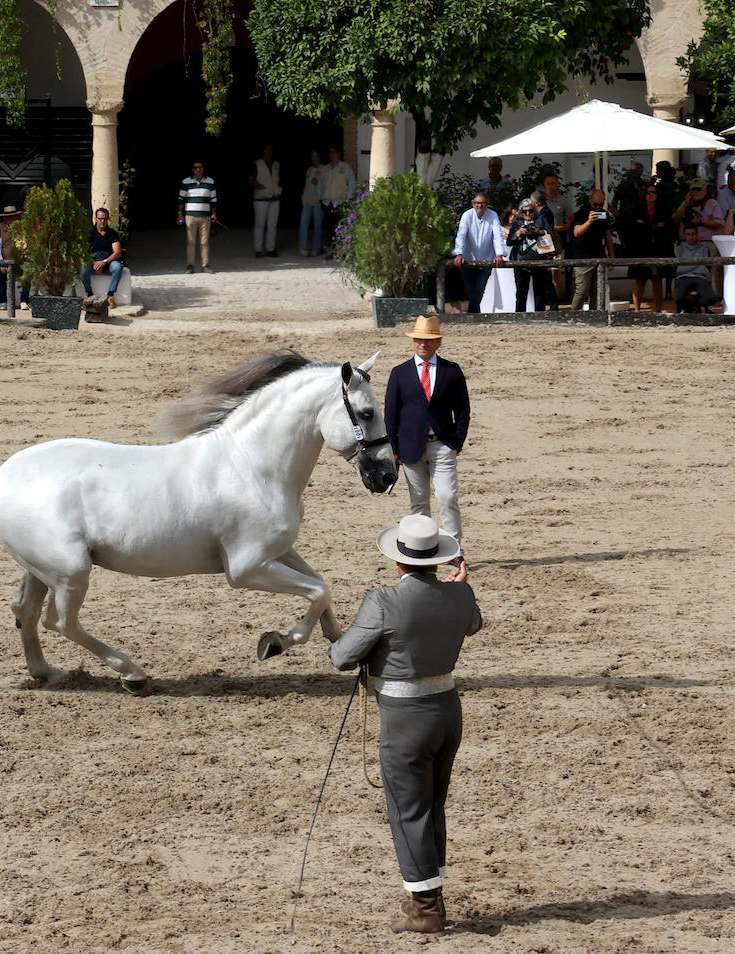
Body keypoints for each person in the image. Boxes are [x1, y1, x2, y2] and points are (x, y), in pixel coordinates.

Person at [327, 513, 480, 935]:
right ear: (438, 560)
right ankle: (432, 894)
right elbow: (473, 622)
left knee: (408, 810)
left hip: (405, 721)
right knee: (432, 805)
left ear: (398, 562)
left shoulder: (382, 601)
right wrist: (459, 587)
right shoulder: (461, 595)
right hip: (448, 712)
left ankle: (426, 910)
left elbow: (342, 657)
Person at [384, 315, 470, 551]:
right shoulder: (399, 373)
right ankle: (422, 549)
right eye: (419, 339)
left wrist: (456, 442)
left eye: (428, 340)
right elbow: (390, 414)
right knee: (419, 503)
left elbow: (463, 410)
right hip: (410, 447)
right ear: (414, 341)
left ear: (438, 342)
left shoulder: (451, 371)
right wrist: (394, 449)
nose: (423, 344)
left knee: (447, 497)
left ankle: (454, 549)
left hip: (443, 444)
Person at [621, 181, 676, 312]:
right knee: (640, 280)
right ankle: (637, 311)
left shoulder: (663, 210)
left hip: (658, 249)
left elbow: (668, 228)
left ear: (657, 195)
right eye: (648, 193)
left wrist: (649, 227)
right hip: (640, 250)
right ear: (644, 195)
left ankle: (657, 310)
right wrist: (653, 227)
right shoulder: (637, 210)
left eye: (654, 192)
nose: (651, 195)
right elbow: (632, 229)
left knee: (657, 279)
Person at [451, 193, 505, 313]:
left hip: (487, 258)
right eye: (477, 203)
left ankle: (472, 314)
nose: (479, 205)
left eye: (483, 203)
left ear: (487, 205)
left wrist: (499, 254)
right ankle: (474, 314)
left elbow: (497, 236)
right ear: (473, 204)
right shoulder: (467, 215)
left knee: (480, 288)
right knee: (471, 290)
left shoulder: (493, 215)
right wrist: (459, 253)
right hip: (468, 258)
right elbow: (461, 235)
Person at [505, 198, 553, 313]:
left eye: (530, 211)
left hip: (538, 258)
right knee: (521, 291)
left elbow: (551, 234)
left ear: (534, 211)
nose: (528, 214)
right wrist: (518, 233)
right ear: (521, 212)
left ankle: (539, 316)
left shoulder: (541, 220)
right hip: (520, 259)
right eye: (524, 211)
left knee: (539, 291)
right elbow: (509, 242)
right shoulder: (517, 223)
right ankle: (520, 316)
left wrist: (539, 232)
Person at [568, 190, 614, 311]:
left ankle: (595, 315)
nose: (598, 207)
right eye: (595, 204)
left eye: (601, 205)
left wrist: (612, 257)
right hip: (582, 257)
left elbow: (608, 236)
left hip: (599, 256)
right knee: (582, 291)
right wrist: (589, 221)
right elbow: (576, 233)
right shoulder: (582, 213)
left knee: (597, 291)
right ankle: (573, 315)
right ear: (590, 201)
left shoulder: (605, 215)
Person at [539, 172, 573, 307]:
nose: (551, 186)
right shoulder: (540, 201)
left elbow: (571, 218)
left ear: (557, 184)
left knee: (555, 272)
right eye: (548, 183)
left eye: (553, 183)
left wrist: (564, 227)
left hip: (558, 239)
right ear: (544, 185)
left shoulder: (563, 201)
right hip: (543, 239)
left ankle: (554, 301)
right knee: (542, 270)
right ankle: (543, 300)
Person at [177, 160, 217, 274]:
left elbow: (213, 199)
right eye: (195, 167)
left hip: (205, 216)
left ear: (203, 169)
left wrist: (214, 213)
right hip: (190, 216)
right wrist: (180, 214)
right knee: (191, 241)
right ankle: (190, 266)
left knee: (204, 242)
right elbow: (181, 199)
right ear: (192, 169)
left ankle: (205, 265)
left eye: (200, 167)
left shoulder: (210, 181)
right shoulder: (186, 182)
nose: (198, 169)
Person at [79, 207, 124, 306]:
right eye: (100, 219)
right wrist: (94, 263)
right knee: (83, 269)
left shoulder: (112, 234)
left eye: (104, 219)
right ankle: (90, 294)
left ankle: (110, 295)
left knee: (117, 267)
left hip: (108, 263)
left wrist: (103, 262)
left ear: (107, 219)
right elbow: (84, 252)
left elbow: (117, 252)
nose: (102, 221)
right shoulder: (89, 234)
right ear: (95, 219)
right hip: (93, 263)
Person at [673, 224, 719, 312]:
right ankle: (690, 308)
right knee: (678, 298)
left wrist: (685, 264)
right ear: (684, 236)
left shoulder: (704, 248)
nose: (691, 237)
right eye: (688, 234)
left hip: (700, 277)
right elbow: (679, 268)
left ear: (697, 234)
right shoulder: (678, 249)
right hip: (683, 277)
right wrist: (698, 263)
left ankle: (694, 305)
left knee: (712, 298)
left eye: (693, 234)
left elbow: (705, 266)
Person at [249, 143, 281, 257]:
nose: (269, 151)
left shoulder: (276, 164)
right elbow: (250, 179)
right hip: (261, 199)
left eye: (271, 149)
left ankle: (270, 249)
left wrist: (278, 189)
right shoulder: (257, 164)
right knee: (259, 225)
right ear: (263, 150)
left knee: (272, 225)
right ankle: (258, 250)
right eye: (267, 149)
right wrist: (260, 187)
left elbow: (278, 179)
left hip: (275, 199)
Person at [320, 146, 355, 246]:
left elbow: (352, 183)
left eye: (334, 152)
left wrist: (348, 199)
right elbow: (320, 184)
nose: (332, 154)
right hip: (327, 203)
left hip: (339, 202)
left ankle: (339, 251)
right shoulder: (325, 168)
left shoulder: (345, 167)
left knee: (339, 228)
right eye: (330, 152)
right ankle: (333, 250)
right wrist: (320, 197)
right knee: (329, 228)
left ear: (338, 154)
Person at [298, 150, 324, 256]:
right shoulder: (310, 169)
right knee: (303, 225)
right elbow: (306, 184)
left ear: (320, 157)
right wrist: (303, 196)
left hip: (318, 201)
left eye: (316, 156)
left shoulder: (325, 169)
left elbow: (326, 184)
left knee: (318, 226)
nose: (314, 158)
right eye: (312, 156)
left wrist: (318, 183)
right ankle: (302, 248)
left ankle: (316, 249)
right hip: (308, 200)